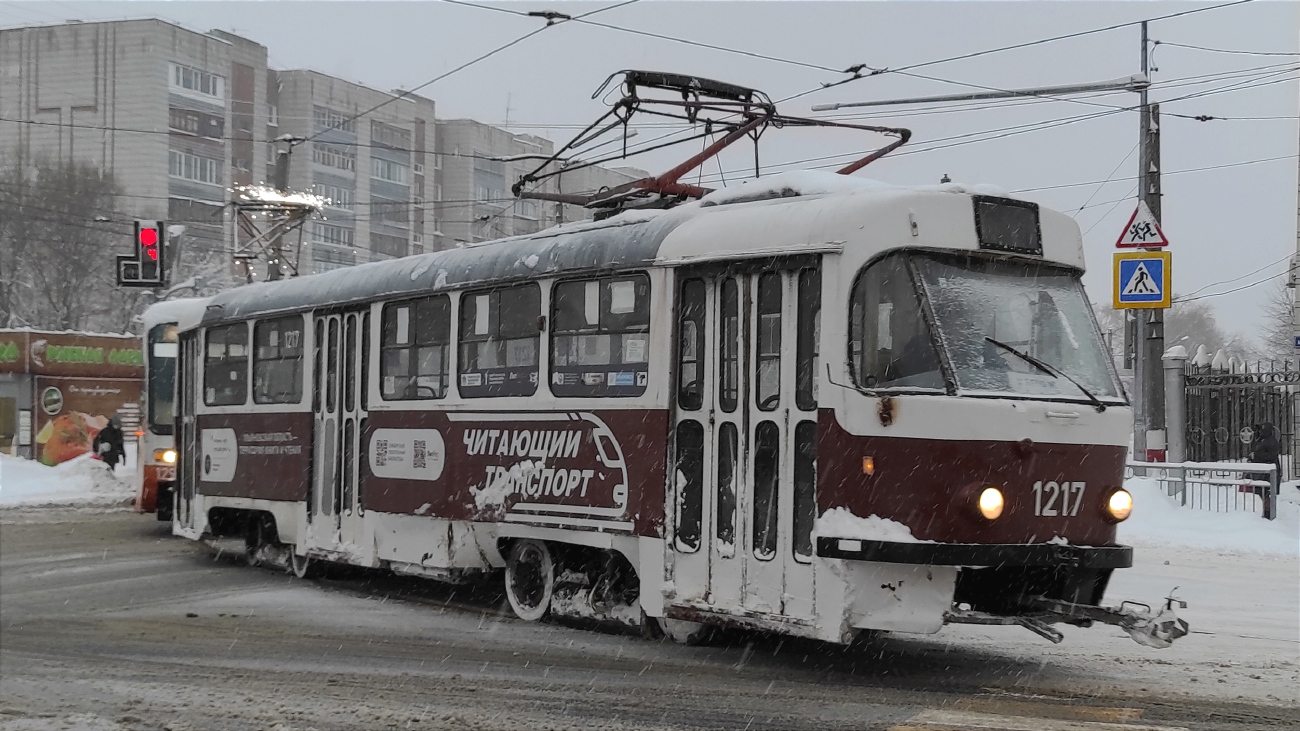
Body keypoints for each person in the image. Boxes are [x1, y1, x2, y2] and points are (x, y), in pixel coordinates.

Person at [1249, 422, 1281, 519]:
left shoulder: (1270, 441)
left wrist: (1256, 456)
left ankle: (1268, 514)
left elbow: (1271, 456)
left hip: (1268, 472)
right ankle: (1266, 512)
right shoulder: (1262, 440)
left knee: (1266, 493)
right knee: (1263, 493)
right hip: (1264, 471)